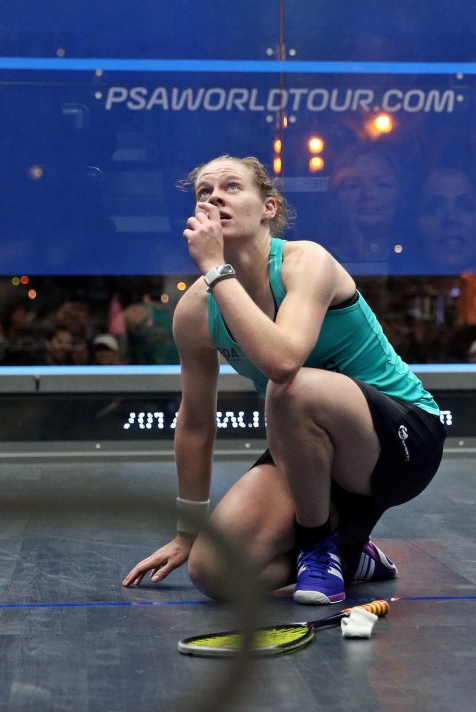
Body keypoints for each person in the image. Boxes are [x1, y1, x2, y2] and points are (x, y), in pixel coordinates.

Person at [123, 155, 445, 605]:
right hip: (311, 457)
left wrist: (216, 269)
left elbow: (282, 361)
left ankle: (318, 548)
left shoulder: (306, 262)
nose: (215, 198)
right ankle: (351, 555)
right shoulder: (195, 312)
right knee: (213, 573)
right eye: (203, 193)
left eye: (231, 187)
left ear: (268, 207)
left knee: (290, 387)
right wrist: (187, 533)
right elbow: (195, 425)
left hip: (404, 443)